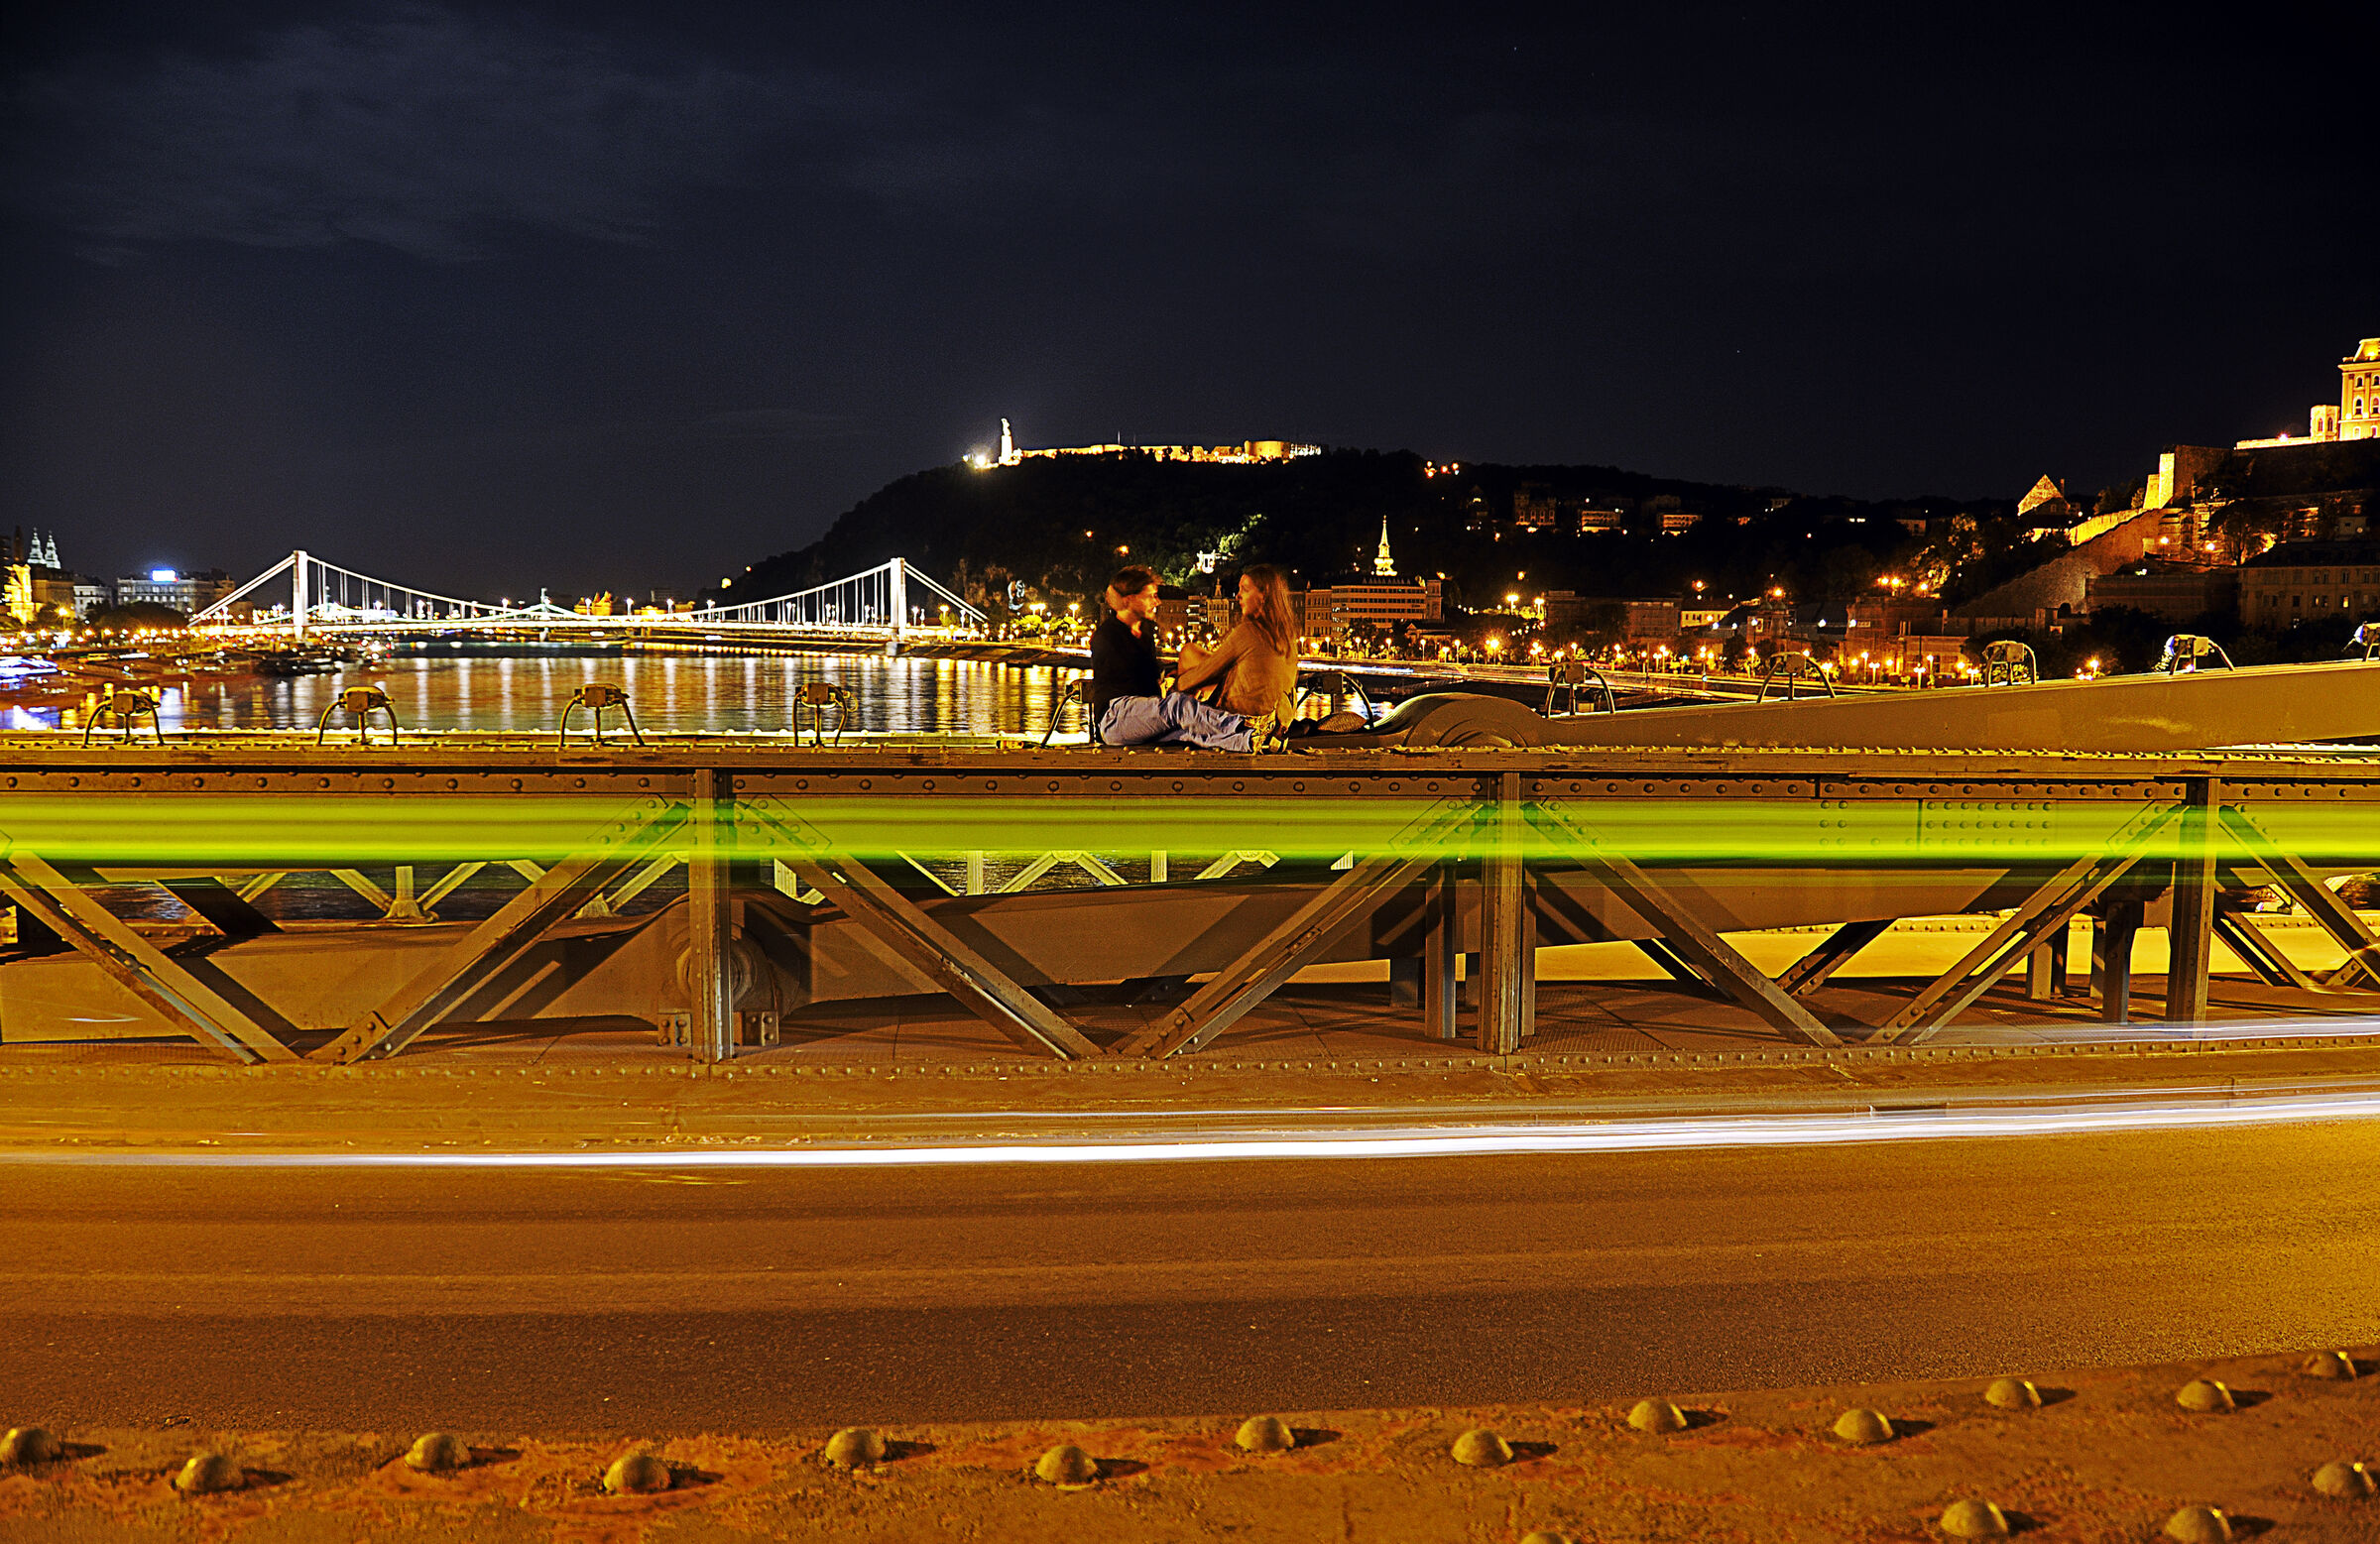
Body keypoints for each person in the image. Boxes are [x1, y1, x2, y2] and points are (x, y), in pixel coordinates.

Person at [1094, 566, 1276, 751]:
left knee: (1191, 732)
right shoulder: (1107, 635)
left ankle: (1249, 741)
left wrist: (1173, 686)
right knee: (1178, 706)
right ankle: (1247, 725)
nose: (1156, 602)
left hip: (1140, 716)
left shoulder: (1145, 634)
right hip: (1115, 717)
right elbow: (1131, 685)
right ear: (1130, 599)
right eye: (1150, 596)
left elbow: (1151, 685)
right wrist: (1179, 688)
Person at [1170, 564, 1298, 737]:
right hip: (1275, 725)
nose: (1238, 596)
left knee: (1188, 653)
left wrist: (1174, 686)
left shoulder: (1249, 632)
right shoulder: (1288, 637)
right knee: (1194, 655)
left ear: (1263, 595)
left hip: (1238, 724)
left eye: (1244, 590)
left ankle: (1177, 725)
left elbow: (1202, 673)